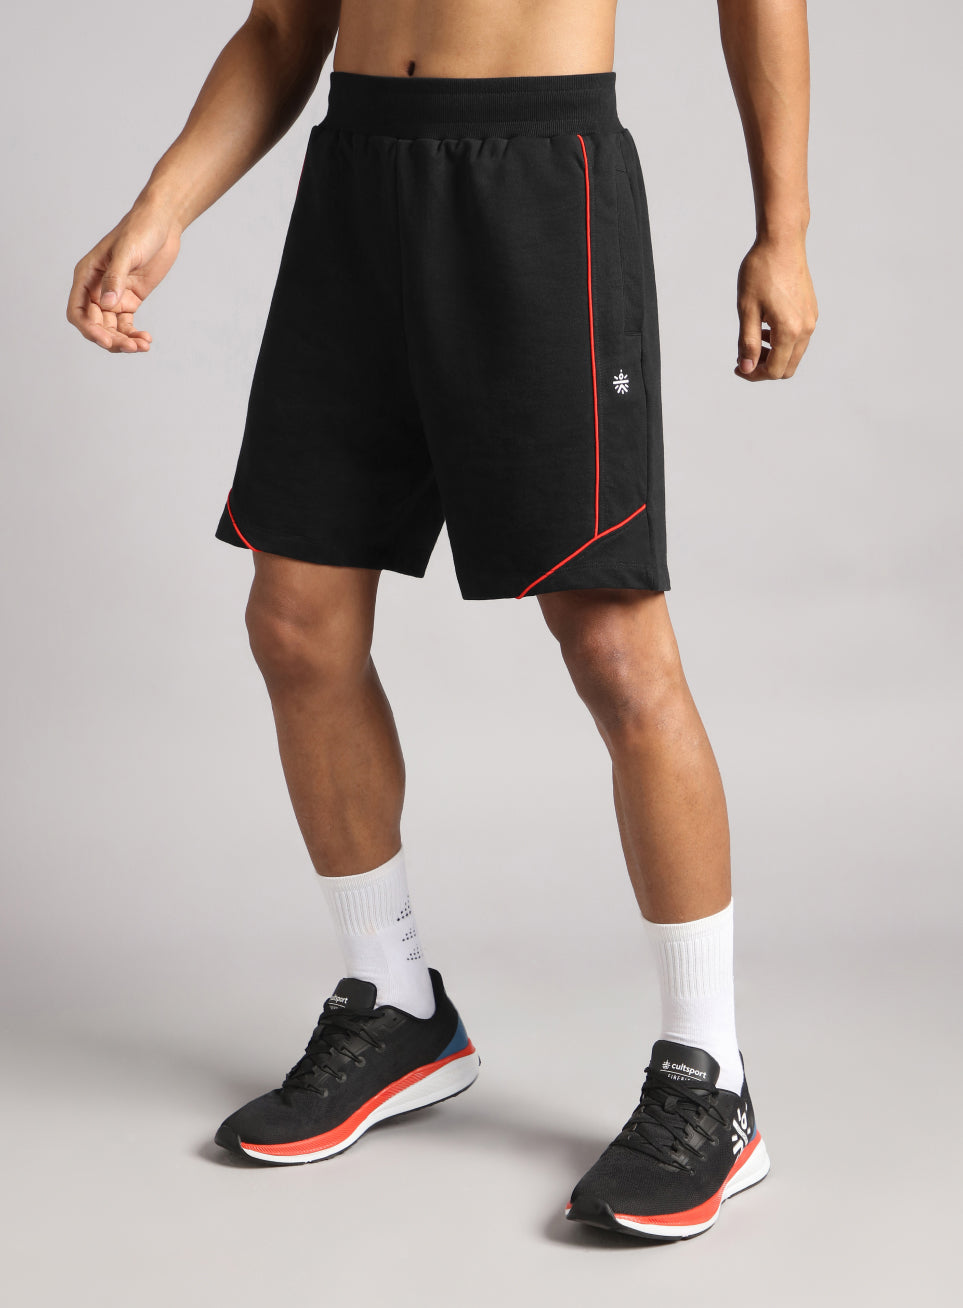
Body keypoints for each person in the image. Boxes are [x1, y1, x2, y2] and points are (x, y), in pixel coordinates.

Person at [67, 0, 817, 1241]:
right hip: (357, 183)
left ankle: (710, 1077)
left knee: (614, 645)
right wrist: (165, 205)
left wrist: (782, 229)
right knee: (296, 621)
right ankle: (394, 1002)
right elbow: (284, 25)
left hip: (537, 178)